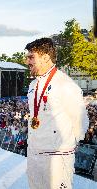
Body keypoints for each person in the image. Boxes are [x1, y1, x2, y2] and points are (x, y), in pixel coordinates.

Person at [25, 38, 89, 189]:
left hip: (57, 158)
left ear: (46, 57)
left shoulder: (65, 84)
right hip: (35, 154)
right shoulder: (33, 85)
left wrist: (65, 146)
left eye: (31, 57)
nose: (27, 61)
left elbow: (81, 121)